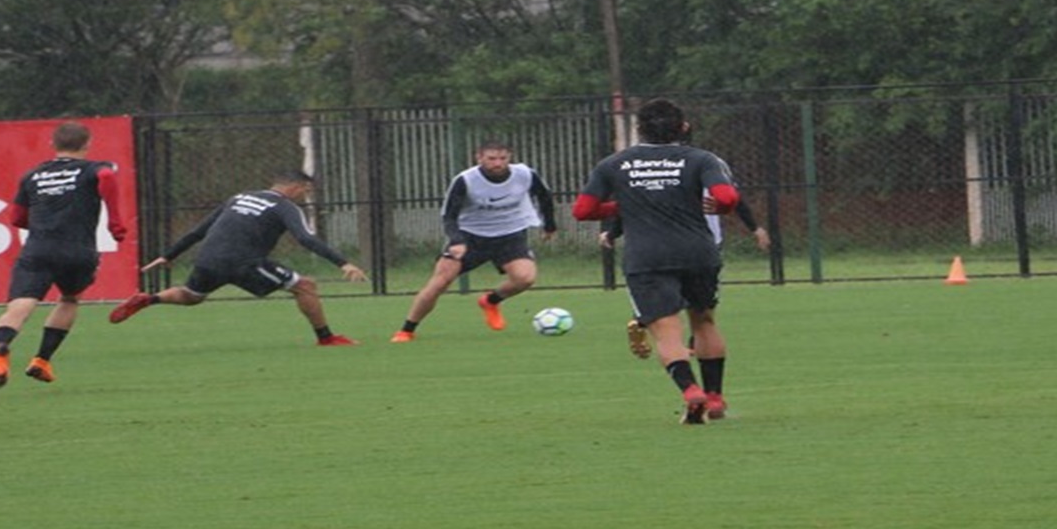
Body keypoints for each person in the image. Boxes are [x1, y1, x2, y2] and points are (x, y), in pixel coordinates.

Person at [574, 98, 741, 424]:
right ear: (684, 127)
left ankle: (691, 391)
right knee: (704, 321)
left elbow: (583, 211)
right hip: (697, 253)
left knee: (667, 332)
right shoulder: (701, 159)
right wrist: (717, 209)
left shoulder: (614, 164)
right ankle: (716, 397)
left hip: (647, 257)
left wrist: (622, 207)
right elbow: (727, 198)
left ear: (639, 129)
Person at [108, 169, 367, 346]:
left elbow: (199, 230)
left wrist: (169, 255)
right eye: (305, 191)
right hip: (244, 261)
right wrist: (343, 263)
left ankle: (149, 299)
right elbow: (306, 239)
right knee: (305, 286)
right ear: (294, 187)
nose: (304, 196)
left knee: (191, 295)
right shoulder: (285, 206)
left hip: (208, 257)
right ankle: (326, 338)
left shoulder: (239, 197)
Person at [0, 121, 127, 388]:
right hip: (78, 251)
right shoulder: (95, 169)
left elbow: (16, 218)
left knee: (21, 305)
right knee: (70, 299)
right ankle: (42, 360)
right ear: (87, 144)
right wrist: (115, 225)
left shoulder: (32, 176)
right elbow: (107, 178)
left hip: (39, 248)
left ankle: (1, 347)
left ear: (53, 144)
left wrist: (43, 224)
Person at [390, 141, 558, 342]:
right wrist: (456, 240)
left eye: (503, 158)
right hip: (471, 237)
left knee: (525, 278)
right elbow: (449, 215)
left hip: (510, 235)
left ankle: (490, 301)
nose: (498, 163)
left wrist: (549, 225)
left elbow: (545, 197)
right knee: (440, 282)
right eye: (491, 159)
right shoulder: (466, 180)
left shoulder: (525, 174)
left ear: (510, 157)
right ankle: (407, 329)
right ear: (479, 158)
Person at [601, 194, 770, 360]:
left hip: (663, 243)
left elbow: (636, 206)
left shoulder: (655, 170)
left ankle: (645, 320)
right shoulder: (713, 168)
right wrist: (755, 228)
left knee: (667, 294)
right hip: (705, 245)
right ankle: (692, 344)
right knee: (704, 307)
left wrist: (612, 233)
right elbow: (734, 199)